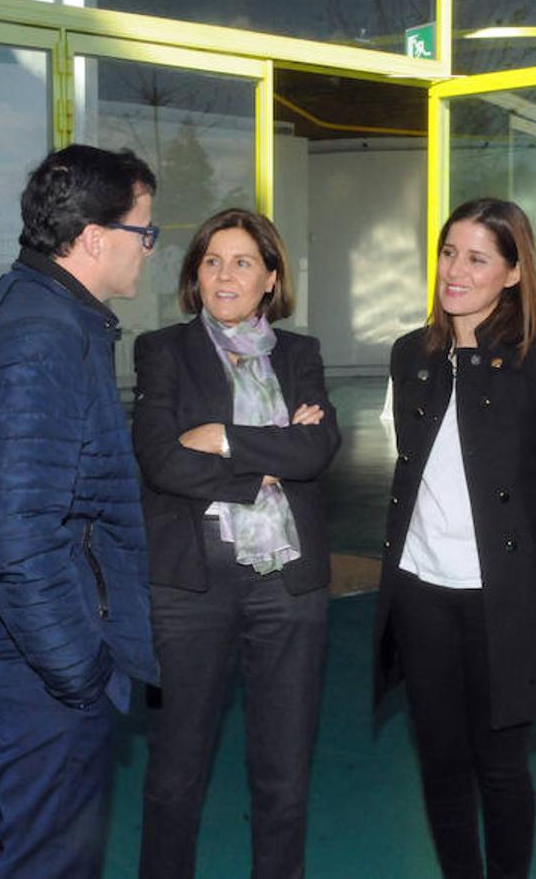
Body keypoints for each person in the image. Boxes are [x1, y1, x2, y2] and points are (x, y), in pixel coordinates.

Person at [0, 144, 160, 877]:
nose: (148, 251)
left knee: (21, 844)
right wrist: (78, 670)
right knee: (50, 857)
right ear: (94, 238)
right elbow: (14, 537)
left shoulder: (40, 311)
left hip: (22, 652)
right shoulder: (42, 336)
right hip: (39, 661)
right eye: (143, 233)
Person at [373, 198, 536, 879]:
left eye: (476, 258)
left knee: (500, 766)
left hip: (501, 598)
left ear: (511, 273)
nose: (455, 271)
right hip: (421, 590)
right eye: (449, 253)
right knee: (441, 764)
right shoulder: (411, 355)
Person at [132, 208, 341, 879]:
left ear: (270, 277)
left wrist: (221, 438)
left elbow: (318, 450)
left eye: (243, 261)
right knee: (175, 771)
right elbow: (161, 461)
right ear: (195, 274)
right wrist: (273, 453)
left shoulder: (300, 354)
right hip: (190, 587)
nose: (225, 275)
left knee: (283, 776)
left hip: (288, 586)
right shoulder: (161, 349)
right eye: (212, 261)